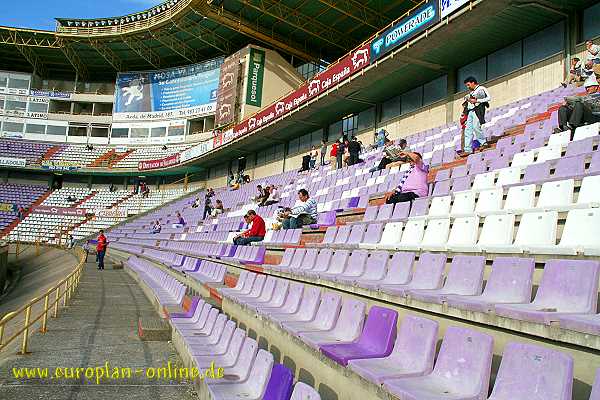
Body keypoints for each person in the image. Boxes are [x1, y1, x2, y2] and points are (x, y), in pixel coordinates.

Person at [461, 76, 490, 155]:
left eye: (468, 85)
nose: (468, 87)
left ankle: (483, 142)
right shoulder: (471, 92)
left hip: (477, 110)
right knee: (468, 130)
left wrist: (477, 100)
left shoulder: (481, 88)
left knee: (476, 127)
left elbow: (488, 98)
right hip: (470, 111)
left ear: (473, 82)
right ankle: (467, 149)